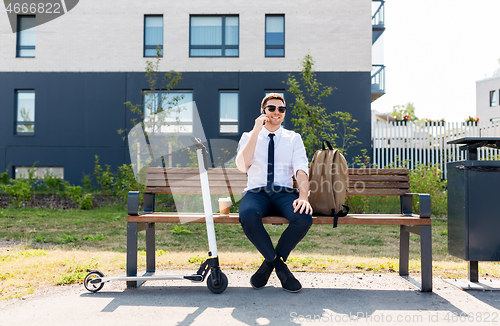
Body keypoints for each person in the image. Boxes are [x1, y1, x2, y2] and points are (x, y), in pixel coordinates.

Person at [235, 93, 313, 293]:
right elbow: (243, 166)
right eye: (271, 108)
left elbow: (301, 169)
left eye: (281, 109)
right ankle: (280, 267)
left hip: (284, 192)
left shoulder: (293, 138)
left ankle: (269, 264)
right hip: (256, 192)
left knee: (303, 217)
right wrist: (255, 130)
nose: (276, 112)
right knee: (247, 215)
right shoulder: (248, 136)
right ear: (263, 111)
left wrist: (303, 197)